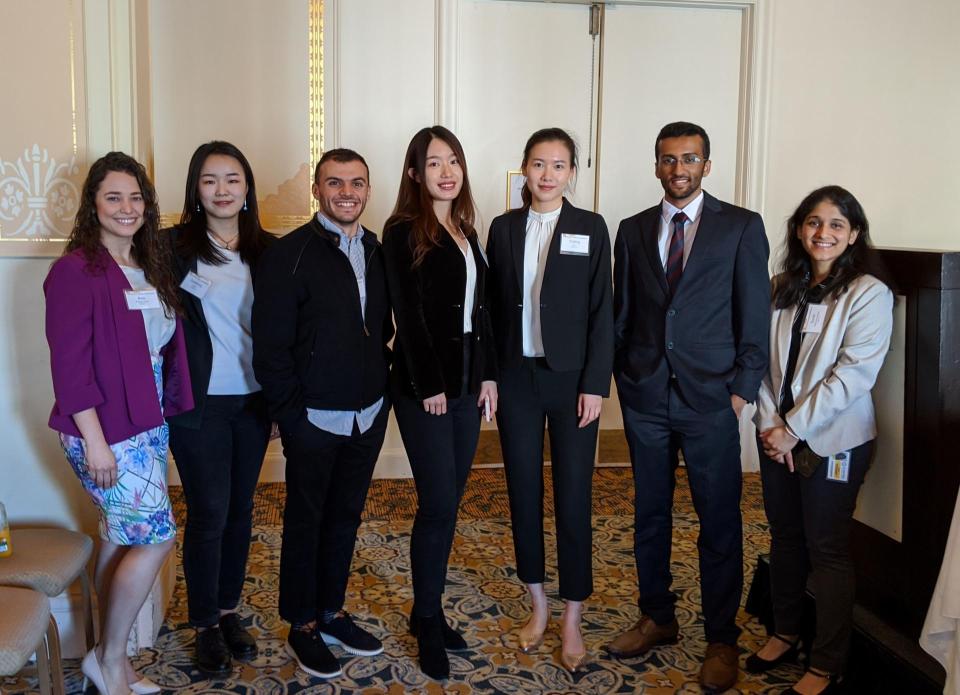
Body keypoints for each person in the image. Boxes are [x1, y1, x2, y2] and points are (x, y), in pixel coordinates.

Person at [609, 121, 770, 691]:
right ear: (656, 165)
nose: (679, 169)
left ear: (707, 164)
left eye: (690, 159)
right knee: (649, 515)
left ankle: (721, 639)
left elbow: (754, 317)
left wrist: (741, 392)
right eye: (669, 159)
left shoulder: (741, 228)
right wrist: (623, 378)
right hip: (647, 397)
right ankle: (658, 617)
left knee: (719, 521)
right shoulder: (629, 230)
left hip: (711, 401)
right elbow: (622, 313)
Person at [44, 152, 193, 695]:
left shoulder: (147, 264)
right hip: (103, 426)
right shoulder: (74, 271)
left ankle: (110, 658)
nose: (127, 207)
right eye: (113, 197)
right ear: (93, 204)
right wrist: (96, 444)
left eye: (135, 197)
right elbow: (70, 366)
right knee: (155, 538)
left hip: (145, 419)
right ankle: (109, 660)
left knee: (117, 534)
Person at [252, 148, 393, 680]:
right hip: (312, 419)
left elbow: (377, 331)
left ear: (368, 190)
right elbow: (270, 348)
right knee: (306, 521)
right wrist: (291, 418)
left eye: (357, 183)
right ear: (317, 189)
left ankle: (332, 612)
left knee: (346, 517)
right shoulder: (288, 254)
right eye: (335, 183)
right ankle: (302, 625)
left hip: (367, 416)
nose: (347, 192)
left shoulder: (377, 250)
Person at [747, 186, 894, 695]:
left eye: (835, 224)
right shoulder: (779, 286)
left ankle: (827, 660)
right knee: (784, 536)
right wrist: (771, 426)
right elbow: (761, 364)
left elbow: (854, 376)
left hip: (835, 442)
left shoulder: (867, 294)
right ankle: (786, 631)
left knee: (826, 548)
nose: (822, 233)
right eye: (813, 222)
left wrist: (793, 430)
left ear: (853, 234)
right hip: (776, 437)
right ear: (799, 229)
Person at [485, 127, 613, 673]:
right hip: (516, 377)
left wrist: (595, 384)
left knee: (573, 497)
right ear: (524, 169)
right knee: (522, 490)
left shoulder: (590, 227)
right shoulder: (503, 227)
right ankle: (537, 604)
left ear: (572, 173)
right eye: (538, 164)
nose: (547, 175)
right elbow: (489, 310)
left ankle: (572, 616)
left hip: (571, 381)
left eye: (558, 166)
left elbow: (603, 310)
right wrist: (489, 376)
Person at [382, 126, 498, 681]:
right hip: (423, 387)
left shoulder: (465, 230)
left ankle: (424, 606)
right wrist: (429, 383)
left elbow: (483, 313)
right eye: (434, 163)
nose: (446, 171)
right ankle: (426, 618)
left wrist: (489, 378)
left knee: (450, 500)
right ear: (414, 174)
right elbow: (408, 315)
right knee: (436, 504)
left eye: (453, 160)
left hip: (468, 385)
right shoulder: (404, 229)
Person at [166, 141, 274, 675]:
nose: (223, 190)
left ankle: (229, 609)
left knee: (240, 510)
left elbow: (284, 334)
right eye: (210, 180)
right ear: (196, 189)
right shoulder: (170, 248)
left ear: (247, 187)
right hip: (198, 403)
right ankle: (204, 623)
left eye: (233, 179)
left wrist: (282, 400)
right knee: (208, 513)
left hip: (254, 401)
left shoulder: (269, 250)